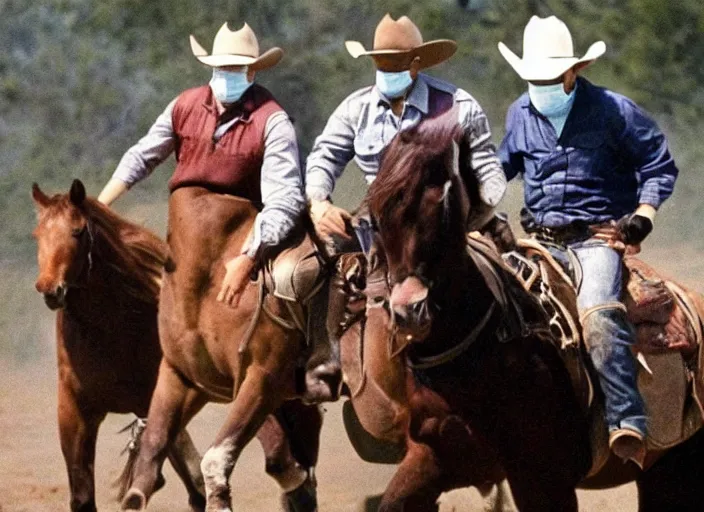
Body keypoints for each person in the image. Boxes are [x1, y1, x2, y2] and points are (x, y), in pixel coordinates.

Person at [97, 22, 337, 401]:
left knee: (301, 275)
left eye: (235, 69)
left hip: (252, 230)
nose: (226, 77)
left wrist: (249, 255)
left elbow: (284, 199)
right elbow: (143, 156)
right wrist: (100, 205)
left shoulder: (271, 120)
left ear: (253, 72)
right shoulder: (184, 106)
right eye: (220, 69)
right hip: (189, 238)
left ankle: (311, 362)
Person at [497, 15, 679, 466]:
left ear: (572, 72)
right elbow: (499, 169)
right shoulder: (520, 113)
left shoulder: (614, 110)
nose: (537, 87)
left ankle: (626, 419)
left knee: (598, 315)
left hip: (596, 241)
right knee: (497, 309)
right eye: (531, 79)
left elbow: (658, 164)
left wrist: (642, 217)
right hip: (537, 239)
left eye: (547, 78)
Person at [305, 14, 509, 253]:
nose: (387, 70)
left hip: (441, 223)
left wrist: (473, 214)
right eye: (382, 63)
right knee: (314, 265)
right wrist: (319, 203)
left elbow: (487, 168)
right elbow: (324, 157)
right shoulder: (355, 109)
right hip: (375, 225)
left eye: (395, 63)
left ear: (415, 64)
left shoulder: (459, 107)